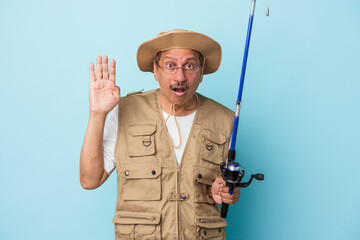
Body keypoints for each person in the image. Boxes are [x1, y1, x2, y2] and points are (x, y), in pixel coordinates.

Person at [80, 29, 240, 240]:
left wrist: (225, 191)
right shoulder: (125, 110)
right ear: (155, 71)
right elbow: (90, 180)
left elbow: (219, 187)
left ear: (201, 72)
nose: (180, 76)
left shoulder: (225, 120)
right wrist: (97, 114)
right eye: (170, 65)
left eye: (189, 66)